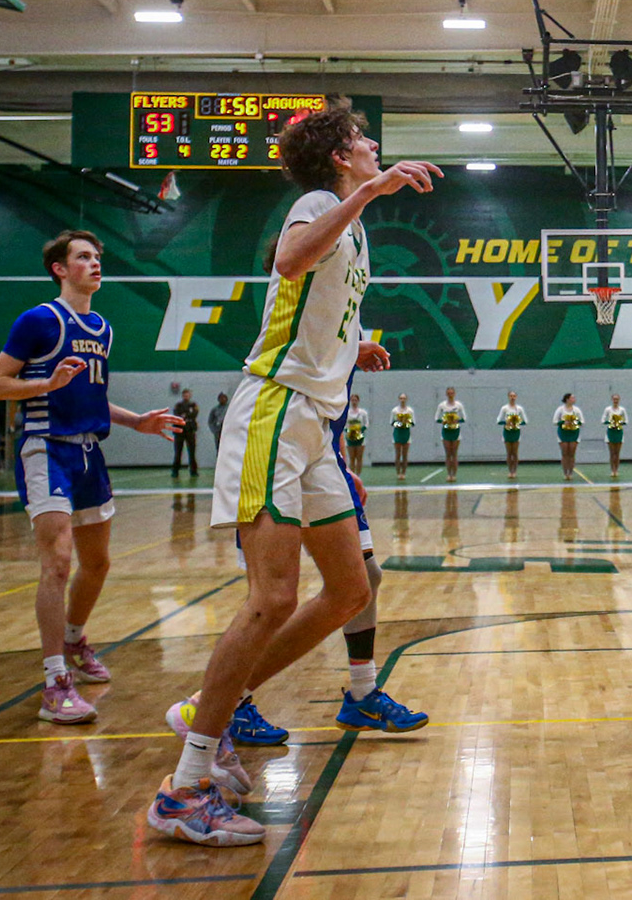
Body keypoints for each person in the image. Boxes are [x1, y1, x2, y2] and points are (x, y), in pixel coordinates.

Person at [149, 101, 438, 847]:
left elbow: (316, 304)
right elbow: (288, 263)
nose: (373, 145)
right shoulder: (319, 204)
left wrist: (353, 347)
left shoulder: (351, 224)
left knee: (351, 588)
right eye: (361, 139)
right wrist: (369, 192)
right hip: (275, 411)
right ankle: (184, 786)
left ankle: (211, 705)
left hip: (314, 423)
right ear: (340, 158)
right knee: (273, 595)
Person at [0, 229, 181, 726]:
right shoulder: (39, 320)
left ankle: (74, 639)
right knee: (58, 561)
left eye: (97, 257)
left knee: (97, 564)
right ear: (59, 268)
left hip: (90, 452)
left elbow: (92, 396)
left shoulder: (102, 328)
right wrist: (45, 383)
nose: (95, 264)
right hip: (45, 447)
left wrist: (136, 421)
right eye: (83, 257)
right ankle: (55, 683)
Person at [229, 364, 430, 749]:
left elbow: (326, 399)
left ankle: (363, 693)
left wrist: (338, 460)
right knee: (268, 596)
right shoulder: (308, 332)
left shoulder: (346, 336)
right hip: (277, 442)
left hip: (322, 454)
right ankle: (225, 701)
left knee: (365, 578)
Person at [171, 388, 202, 480]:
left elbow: (194, 414)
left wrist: (185, 415)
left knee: (192, 452)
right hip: (179, 431)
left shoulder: (194, 405)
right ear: (182, 396)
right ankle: (175, 471)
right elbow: (176, 414)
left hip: (190, 430)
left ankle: (193, 471)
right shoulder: (178, 405)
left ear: (190, 396)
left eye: (187, 395)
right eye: (184, 395)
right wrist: (186, 415)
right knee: (178, 452)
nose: (186, 396)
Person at [437, 387, 465, 482]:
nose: (450, 395)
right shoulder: (442, 405)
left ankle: (454, 474)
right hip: (446, 431)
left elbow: (464, 418)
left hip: (456, 431)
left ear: (454, 394)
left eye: (452, 393)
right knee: (448, 454)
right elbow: (436, 418)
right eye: (448, 393)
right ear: (446, 394)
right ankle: (449, 474)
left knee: (454, 454)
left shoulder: (458, 405)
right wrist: (443, 421)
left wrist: (457, 420)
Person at [554, 393, 583, 481]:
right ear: (567, 399)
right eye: (572, 398)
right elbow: (555, 421)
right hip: (563, 433)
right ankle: (565, 473)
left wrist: (574, 422)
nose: (574, 399)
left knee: (572, 454)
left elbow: (582, 421)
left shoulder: (577, 410)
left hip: (574, 433)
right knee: (565, 453)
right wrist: (563, 422)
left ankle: (570, 472)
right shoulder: (560, 409)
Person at [497, 391, 526, 478]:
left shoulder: (519, 409)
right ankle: (510, 471)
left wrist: (517, 422)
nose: (512, 397)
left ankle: (515, 471)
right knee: (509, 453)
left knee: (515, 453)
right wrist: (507, 422)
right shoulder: (504, 408)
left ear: (516, 397)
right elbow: (498, 421)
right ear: (508, 397)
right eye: (510, 396)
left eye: (514, 396)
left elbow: (525, 421)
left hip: (516, 432)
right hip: (507, 432)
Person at [602, 394, 629, 478]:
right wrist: (610, 422)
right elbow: (603, 420)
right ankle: (612, 470)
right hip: (610, 432)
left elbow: (626, 421)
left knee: (617, 453)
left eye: (617, 399)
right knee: (612, 453)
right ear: (612, 400)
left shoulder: (622, 410)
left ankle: (616, 470)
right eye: (614, 399)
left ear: (619, 400)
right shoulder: (608, 409)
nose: (615, 401)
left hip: (619, 432)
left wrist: (620, 422)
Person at [390, 394, 415, 482]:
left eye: (404, 398)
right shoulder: (395, 410)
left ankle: (403, 473)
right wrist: (399, 423)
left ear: (406, 399)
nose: (402, 400)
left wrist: (406, 422)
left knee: (405, 455)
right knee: (397, 454)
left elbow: (413, 423)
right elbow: (392, 422)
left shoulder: (410, 411)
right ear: (399, 399)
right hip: (397, 433)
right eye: (401, 398)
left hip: (406, 434)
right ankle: (398, 473)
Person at [344, 392, 368, 477]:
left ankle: (358, 475)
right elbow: (344, 424)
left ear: (358, 401)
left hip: (360, 438)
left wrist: (361, 430)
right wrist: (348, 430)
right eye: (352, 400)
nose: (354, 402)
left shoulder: (363, 413)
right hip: (350, 437)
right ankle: (352, 475)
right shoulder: (347, 412)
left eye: (355, 400)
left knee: (359, 457)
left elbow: (366, 423)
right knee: (352, 458)